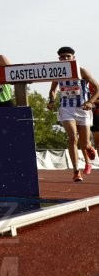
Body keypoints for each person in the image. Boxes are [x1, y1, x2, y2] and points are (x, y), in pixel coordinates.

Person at [47, 46, 98, 182]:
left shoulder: (81, 71)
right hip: (66, 108)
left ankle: (89, 147)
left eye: (67, 56)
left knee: (84, 143)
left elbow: (98, 88)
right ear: (59, 59)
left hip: (82, 108)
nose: (65, 59)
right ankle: (76, 171)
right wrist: (51, 100)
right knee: (72, 138)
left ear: (73, 58)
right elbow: (53, 90)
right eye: (62, 57)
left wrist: (90, 102)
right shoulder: (57, 73)